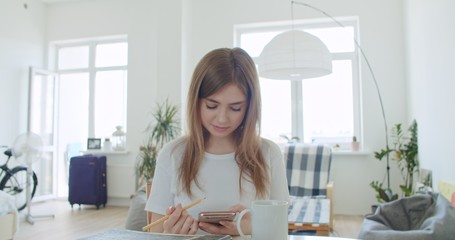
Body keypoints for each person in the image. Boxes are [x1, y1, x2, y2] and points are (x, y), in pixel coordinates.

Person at [144, 47, 289, 236]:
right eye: (212, 106)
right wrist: (170, 234)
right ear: (196, 101)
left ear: (250, 108)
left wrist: (250, 228)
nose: (222, 119)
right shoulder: (173, 154)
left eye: (235, 108)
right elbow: (154, 232)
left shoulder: (268, 153)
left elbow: (281, 228)